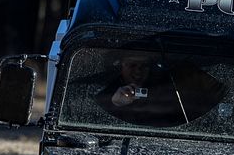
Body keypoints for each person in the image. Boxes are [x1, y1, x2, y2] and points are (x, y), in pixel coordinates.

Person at [95, 51, 225, 128]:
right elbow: (89, 117)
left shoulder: (168, 87)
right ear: (121, 66)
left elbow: (181, 119)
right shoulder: (102, 88)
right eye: (132, 65)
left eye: (144, 65)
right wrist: (115, 103)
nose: (138, 70)